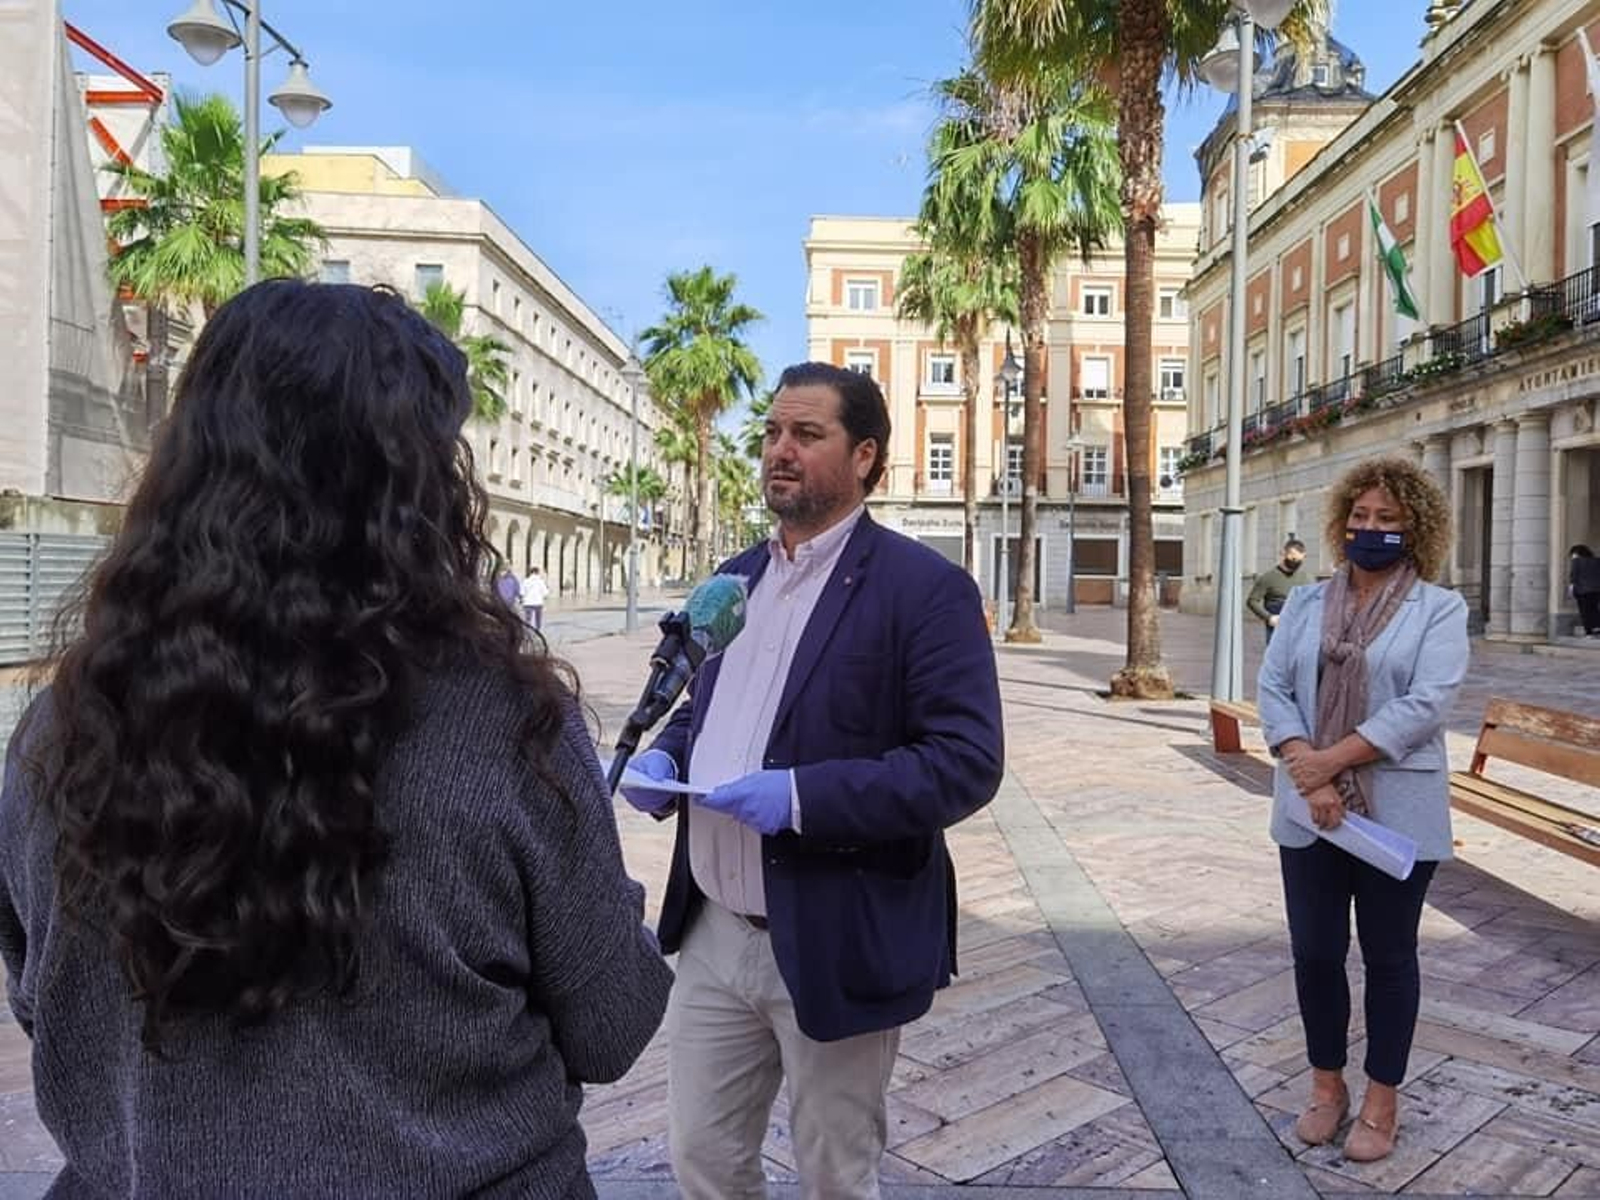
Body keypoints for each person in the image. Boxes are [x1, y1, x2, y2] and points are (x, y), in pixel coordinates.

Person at [0, 281, 672, 1198]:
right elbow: (612, 1024)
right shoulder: (505, 731)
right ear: (418, 489)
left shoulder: (58, 731)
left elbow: (43, 1002)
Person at [620, 361, 1004, 1199]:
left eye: (806, 434)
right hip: (715, 932)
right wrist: (671, 758)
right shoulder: (735, 578)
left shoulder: (926, 590)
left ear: (865, 456)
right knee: (704, 1160)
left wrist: (799, 798)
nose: (778, 452)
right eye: (770, 434)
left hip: (836, 928)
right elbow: (712, 709)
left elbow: (966, 762)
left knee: (835, 1171)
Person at [1257, 456, 1468, 1165]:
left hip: (1395, 811)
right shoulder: (1309, 604)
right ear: (1341, 522)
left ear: (1414, 530)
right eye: (1359, 518)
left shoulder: (1439, 609)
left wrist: (1333, 759)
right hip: (1309, 811)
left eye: (1385, 520)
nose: (1368, 530)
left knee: (1389, 957)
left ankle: (1382, 1098)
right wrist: (1306, 772)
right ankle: (1327, 1087)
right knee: (1316, 954)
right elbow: (1275, 685)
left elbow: (1427, 704)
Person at [1247, 537, 1313, 644]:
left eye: (1299, 560)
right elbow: (1252, 601)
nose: (1296, 563)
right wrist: (1269, 618)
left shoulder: (1307, 578)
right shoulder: (1268, 577)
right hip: (1277, 628)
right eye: (1293, 559)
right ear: (1284, 554)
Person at [1569, 544, 1600, 637]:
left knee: (1584, 612)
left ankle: (1589, 632)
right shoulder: (1597, 560)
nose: (1571, 556)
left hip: (1582, 590)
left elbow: (1574, 576)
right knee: (1594, 609)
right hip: (1596, 590)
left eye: (1572, 554)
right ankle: (1597, 627)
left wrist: (1571, 589)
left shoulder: (1576, 561)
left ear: (1577, 553)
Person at [522, 564, 551, 630]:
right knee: (538, 620)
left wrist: (522, 599)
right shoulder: (541, 581)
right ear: (537, 572)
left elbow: (522, 593)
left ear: (531, 572)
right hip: (538, 603)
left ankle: (528, 632)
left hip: (528, 603)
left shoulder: (526, 581)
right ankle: (538, 631)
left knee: (528, 620)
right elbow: (545, 593)